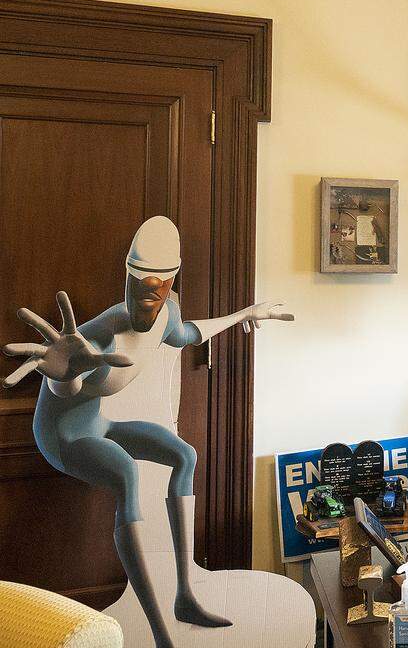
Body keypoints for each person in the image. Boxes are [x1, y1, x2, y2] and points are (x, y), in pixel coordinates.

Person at [2, 216, 294, 648]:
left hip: (96, 424)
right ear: (127, 278)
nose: (148, 302)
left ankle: (185, 596)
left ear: (170, 283)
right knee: (126, 472)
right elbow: (71, 384)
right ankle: (160, 634)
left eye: (159, 288)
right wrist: (61, 377)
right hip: (64, 438)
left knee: (183, 455)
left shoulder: (166, 315)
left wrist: (244, 315)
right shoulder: (100, 336)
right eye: (140, 285)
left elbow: (189, 334)